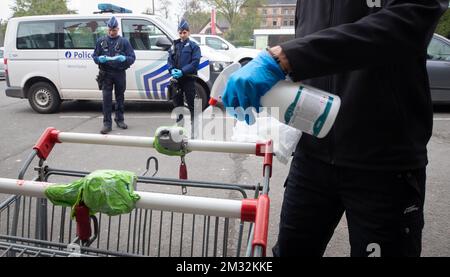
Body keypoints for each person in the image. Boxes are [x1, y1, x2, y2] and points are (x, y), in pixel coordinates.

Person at [222, 0, 449, 257]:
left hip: (383, 162)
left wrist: (286, 57)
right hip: (312, 155)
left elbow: (406, 24)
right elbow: (313, 48)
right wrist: (277, 97)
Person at [93, 16, 136, 134]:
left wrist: (125, 59)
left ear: (118, 29)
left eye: (114, 30)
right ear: (107, 29)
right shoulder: (101, 41)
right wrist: (98, 59)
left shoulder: (124, 42)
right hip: (106, 74)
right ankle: (107, 124)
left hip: (119, 73)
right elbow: (94, 56)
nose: (112, 32)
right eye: (110, 30)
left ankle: (119, 119)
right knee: (106, 99)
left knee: (120, 97)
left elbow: (132, 57)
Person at [167, 19, 201, 127]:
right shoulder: (175, 45)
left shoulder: (194, 46)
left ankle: (194, 127)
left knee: (191, 104)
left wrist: (182, 71)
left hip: (189, 79)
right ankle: (179, 126)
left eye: (184, 32)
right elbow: (169, 60)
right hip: (177, 80)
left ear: (189, 32)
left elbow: (195, 63)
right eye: (180, 32)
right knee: (178, 105)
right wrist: (171, 69)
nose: (182, 35)